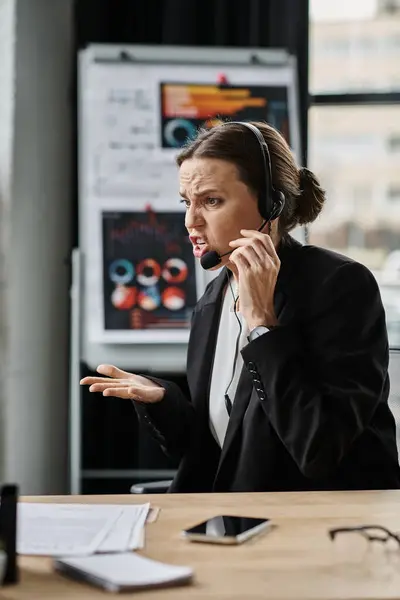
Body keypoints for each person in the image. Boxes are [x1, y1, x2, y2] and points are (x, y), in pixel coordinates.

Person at [81, 121, 400, 493]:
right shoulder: (213, 300)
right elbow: (215, 448)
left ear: (271, 204)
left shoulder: (340, 286)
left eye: (211, 201)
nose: (190, 221)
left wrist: (262, 324)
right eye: (187, 202)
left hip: (320, 525)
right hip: (234, 518)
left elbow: (319, 448)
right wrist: (164, 400)